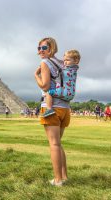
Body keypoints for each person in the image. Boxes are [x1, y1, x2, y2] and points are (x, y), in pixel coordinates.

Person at [34, 37, 73, 186]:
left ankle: (57, 181)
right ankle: (64, 176)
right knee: (59, 144)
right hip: (65, 109)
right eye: (38, 48)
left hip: (52, 107)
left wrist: (35, 75)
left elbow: (44, 86)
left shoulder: (45, 63)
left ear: (51, 48)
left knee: (54, 144)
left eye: (43, 48)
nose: (40, 51)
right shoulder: (62, 63)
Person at [42, 50, 80, 117]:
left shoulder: (65, 70)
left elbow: (57, 67)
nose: (64, 62)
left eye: (67, 60)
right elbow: (61, 62)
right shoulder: (74, 69)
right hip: (71, 95)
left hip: (62, 92)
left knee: (48, 93)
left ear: (76, 60)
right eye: (64, 60)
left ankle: (49, 109)